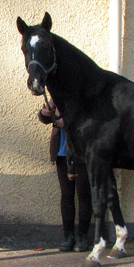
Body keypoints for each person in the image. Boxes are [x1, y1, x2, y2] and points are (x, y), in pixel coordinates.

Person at [38, 99, 92, 252]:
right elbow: (45, 119)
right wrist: (45, 111)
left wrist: (67, 122)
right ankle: (68, 236)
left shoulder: (81, 95)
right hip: (62, 154)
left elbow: (88, 121)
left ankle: (82, 236)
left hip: (81, 154)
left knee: (84, 195)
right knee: (66, 195)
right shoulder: (57, 97)